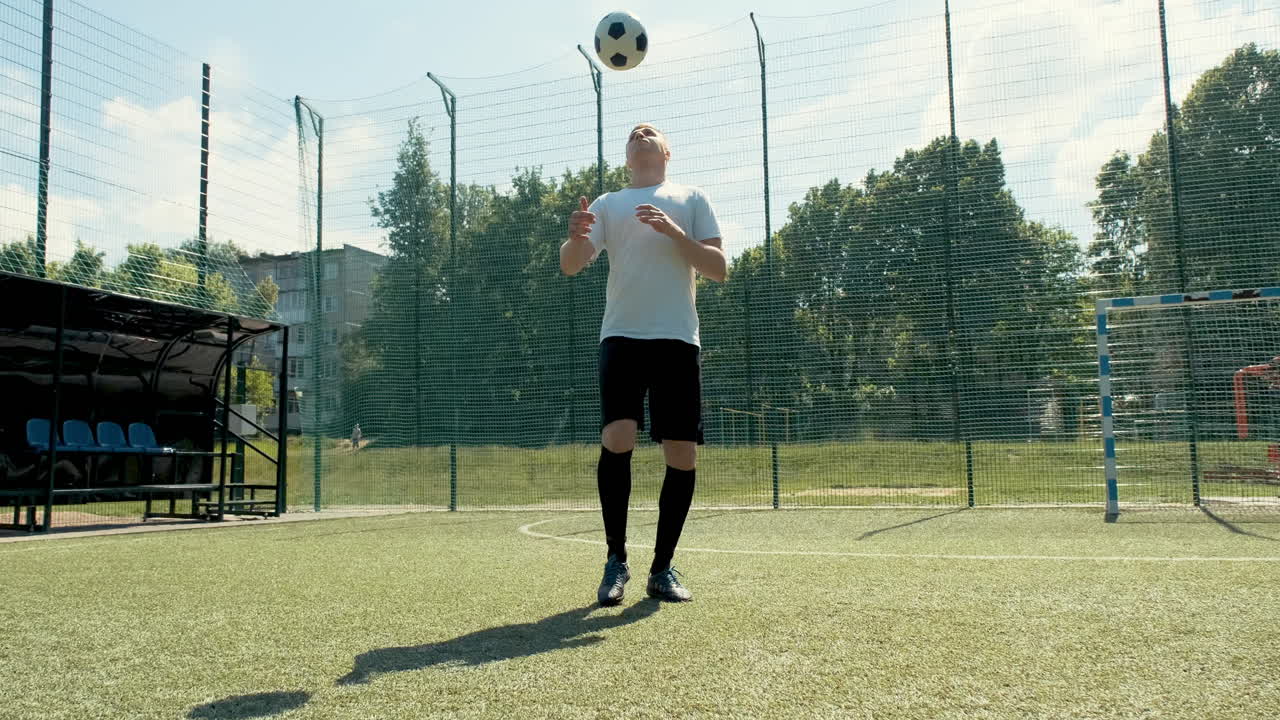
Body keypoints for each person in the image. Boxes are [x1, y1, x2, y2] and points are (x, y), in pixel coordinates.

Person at [560, 123, 727, 605]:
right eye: (634, 134)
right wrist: (575, 237)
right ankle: (616, 560)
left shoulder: (692, 198)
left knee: (682, 454)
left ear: (666, 153)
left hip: (677, 339)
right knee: (618, 438)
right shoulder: (609, 204)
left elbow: (718, 269)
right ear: (628, 157)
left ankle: (661, 569)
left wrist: (675, 233)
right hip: (622, 337)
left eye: (651, 132)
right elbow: (571, 264)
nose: (641, 132)